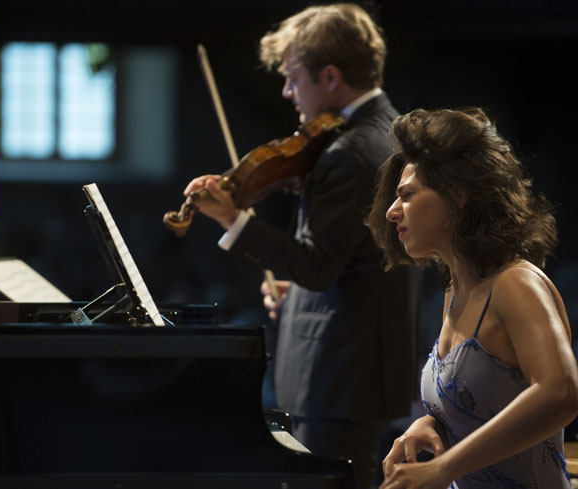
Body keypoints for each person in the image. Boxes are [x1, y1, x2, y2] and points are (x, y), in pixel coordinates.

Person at [182, 4, 421, 488]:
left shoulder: (350, 152)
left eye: (293, 78)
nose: (288, 92)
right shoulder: (387, 131)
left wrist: (231, 217)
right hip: (355, 367)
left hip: (340, 378)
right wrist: (304, 296)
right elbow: (354, 263)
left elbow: (317, 266)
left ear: (330, 76)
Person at [365, 106, 578, 489]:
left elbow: (560, 392)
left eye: (407, 196)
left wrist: (444, 468)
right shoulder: (455, 290)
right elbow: (488, 402)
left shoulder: (515, 284)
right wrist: (432, 424)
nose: (393, 212)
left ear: (457, 197)